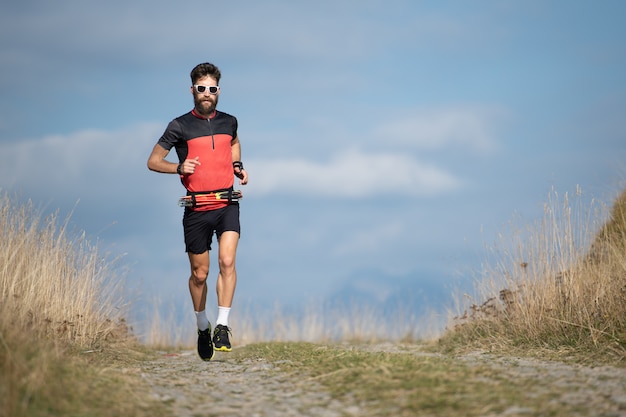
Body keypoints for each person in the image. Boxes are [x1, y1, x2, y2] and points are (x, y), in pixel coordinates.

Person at [147, 62, 248, 361]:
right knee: (200, 274)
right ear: (192, 90)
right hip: (196, 207)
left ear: (218, 92)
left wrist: (237, 166)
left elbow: (235, 144)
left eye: (212, 89)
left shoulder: (230, 121)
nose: (207, 94)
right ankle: (202, 325)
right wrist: (178, 167)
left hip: (227, 202)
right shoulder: (179, 126)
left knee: (227, 261)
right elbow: (153, 161)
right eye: (201, 88)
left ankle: (222, 326)